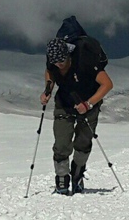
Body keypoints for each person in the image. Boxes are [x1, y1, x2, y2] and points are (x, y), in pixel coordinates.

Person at [40, 37, 113, 195]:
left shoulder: (84, 62)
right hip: (64, 105)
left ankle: (77, 175)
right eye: (55, 62)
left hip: (89, 106)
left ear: (68, 54)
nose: (59, 64)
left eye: (62, 60)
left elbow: (107, 84)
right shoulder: (53, 63)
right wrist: (48, 89)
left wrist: (88, 104)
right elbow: (49, 73)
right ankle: (62, 178)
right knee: (61, 142)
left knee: (83, 142)